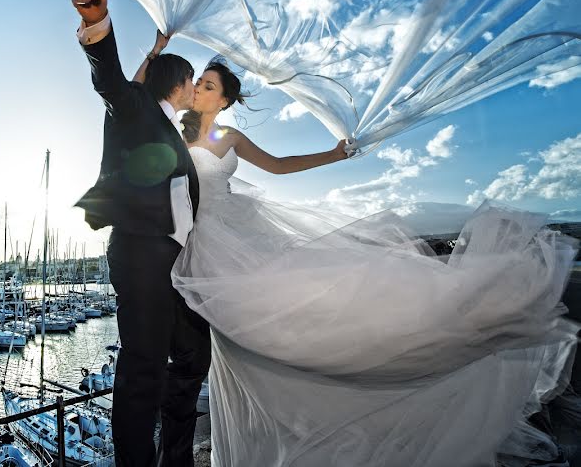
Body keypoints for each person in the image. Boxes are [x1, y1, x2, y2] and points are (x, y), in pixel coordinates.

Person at [151, 53, 578, 466]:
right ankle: (248, 445)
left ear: (224, 100)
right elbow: (132, 104)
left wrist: (334, 155)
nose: (197, 89)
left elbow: (278, 166)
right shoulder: (172, 130)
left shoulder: (229, 138)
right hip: (197, 239)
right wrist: (153, 53)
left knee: (279, 322)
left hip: (235, 237)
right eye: (198, 84)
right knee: (235, 346)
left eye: (208, 86)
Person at [71, 0, 211, 467]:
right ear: (180, 83)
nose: (198, 90)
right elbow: (110, 80)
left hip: (171, 265)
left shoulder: (170, 127)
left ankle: (175, 456)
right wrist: (98, 25)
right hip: (140, 253)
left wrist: (155, 50)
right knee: (143, 370)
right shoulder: (134, 110)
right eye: (194, 81)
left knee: (195, 354)